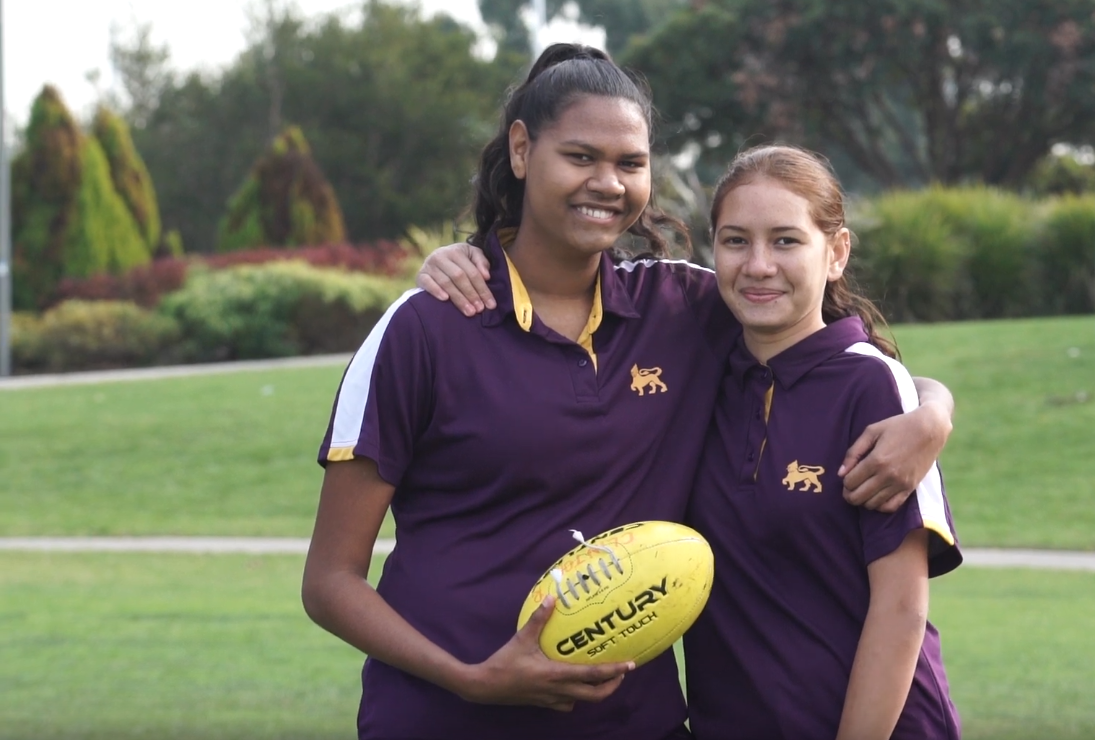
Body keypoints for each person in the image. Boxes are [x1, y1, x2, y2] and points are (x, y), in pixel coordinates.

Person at [304, 44, 951, 740]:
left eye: (630, 164)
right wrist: (472, 679)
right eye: (580, 157)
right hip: (440, 721)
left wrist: (933, 411)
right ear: (521, 151)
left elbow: (830, 355)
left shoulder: (685, 308)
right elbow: (330, 583)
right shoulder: (426, 327)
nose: (606, 183)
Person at [683, 145, 962, 740]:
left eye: (786, 240)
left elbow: (902, 611)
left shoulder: (870, 384)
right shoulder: (699, 373)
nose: (758, 265)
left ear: (835, 253)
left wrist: (933, 409)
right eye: (735, 241)